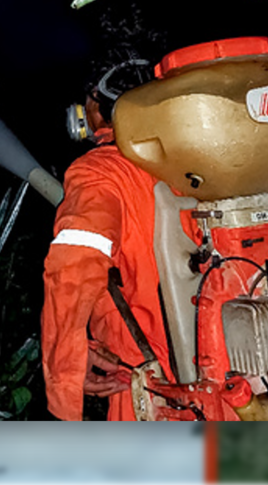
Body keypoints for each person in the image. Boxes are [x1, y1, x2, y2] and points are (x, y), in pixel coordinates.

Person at [41, 75, 199, 421]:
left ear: (97, 103)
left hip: (153, 388)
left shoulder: (100, 172)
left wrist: (66, 366)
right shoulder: (198, 161)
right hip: (237, 375)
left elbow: (74, 269)